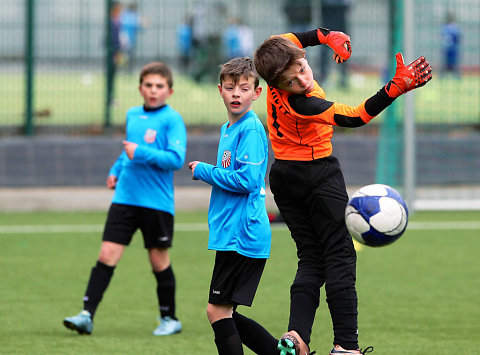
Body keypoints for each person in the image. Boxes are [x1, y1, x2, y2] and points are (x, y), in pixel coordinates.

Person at [254, 28, 432, 354]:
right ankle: (345, 347)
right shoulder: (304, 103)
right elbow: (355, 116)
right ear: (277, 85)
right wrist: (395, 88)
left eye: (303, 71)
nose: (303, 81)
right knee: (340, 256)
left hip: (282, 174)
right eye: (291, 82)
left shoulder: (280, 50)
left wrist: (328, 36)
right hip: (316, 175)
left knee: (310, 258)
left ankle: (296, 337)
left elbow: (297, 37)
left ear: (301, 58)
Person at [63, 62, 187, 336]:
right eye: (149, 85)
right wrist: (115, 171)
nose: (153, 91)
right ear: (140, 88)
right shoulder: (133, 114)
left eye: (159, 86)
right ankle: (87, 315)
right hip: (125, 198)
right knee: (106, 255)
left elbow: (175, 159)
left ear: (170, 90)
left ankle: (170, 319)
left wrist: (140, 152)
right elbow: (126, 152)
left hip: (156, 203)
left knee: (159, 262)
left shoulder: (172, 120)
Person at [188, 57, 276, 355]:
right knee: (225, 313)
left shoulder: (250, 129)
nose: (236, 93)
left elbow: (249, 180)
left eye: (244, 88)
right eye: (230, 87)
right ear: (220, 91)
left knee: (217, 311)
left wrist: (204, 170)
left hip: (243, 234)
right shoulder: (230, 127)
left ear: (257, 93)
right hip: (233, 233)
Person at [319, 0, 353, 88]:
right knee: (325, 55)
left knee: (343, 53)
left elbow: (347, 5)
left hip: (340, 29)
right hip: (327, 30)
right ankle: (324, 78)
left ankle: (343, 79)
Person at [119, 3, 145, 73]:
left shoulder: (124, 14)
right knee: (127, 55)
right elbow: (140, 26)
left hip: (123, 37)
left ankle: (124, 68)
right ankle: (126, 69)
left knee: (125, 54)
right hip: (127, 38)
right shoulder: (133, 16)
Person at [441, 10, 461, 78]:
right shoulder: (446, 27)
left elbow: (458, 37)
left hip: (452, 49)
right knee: (446, 64)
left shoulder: (454, 27)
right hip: (447, 49)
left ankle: (456, 77)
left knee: (454, 64)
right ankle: (443, 77)